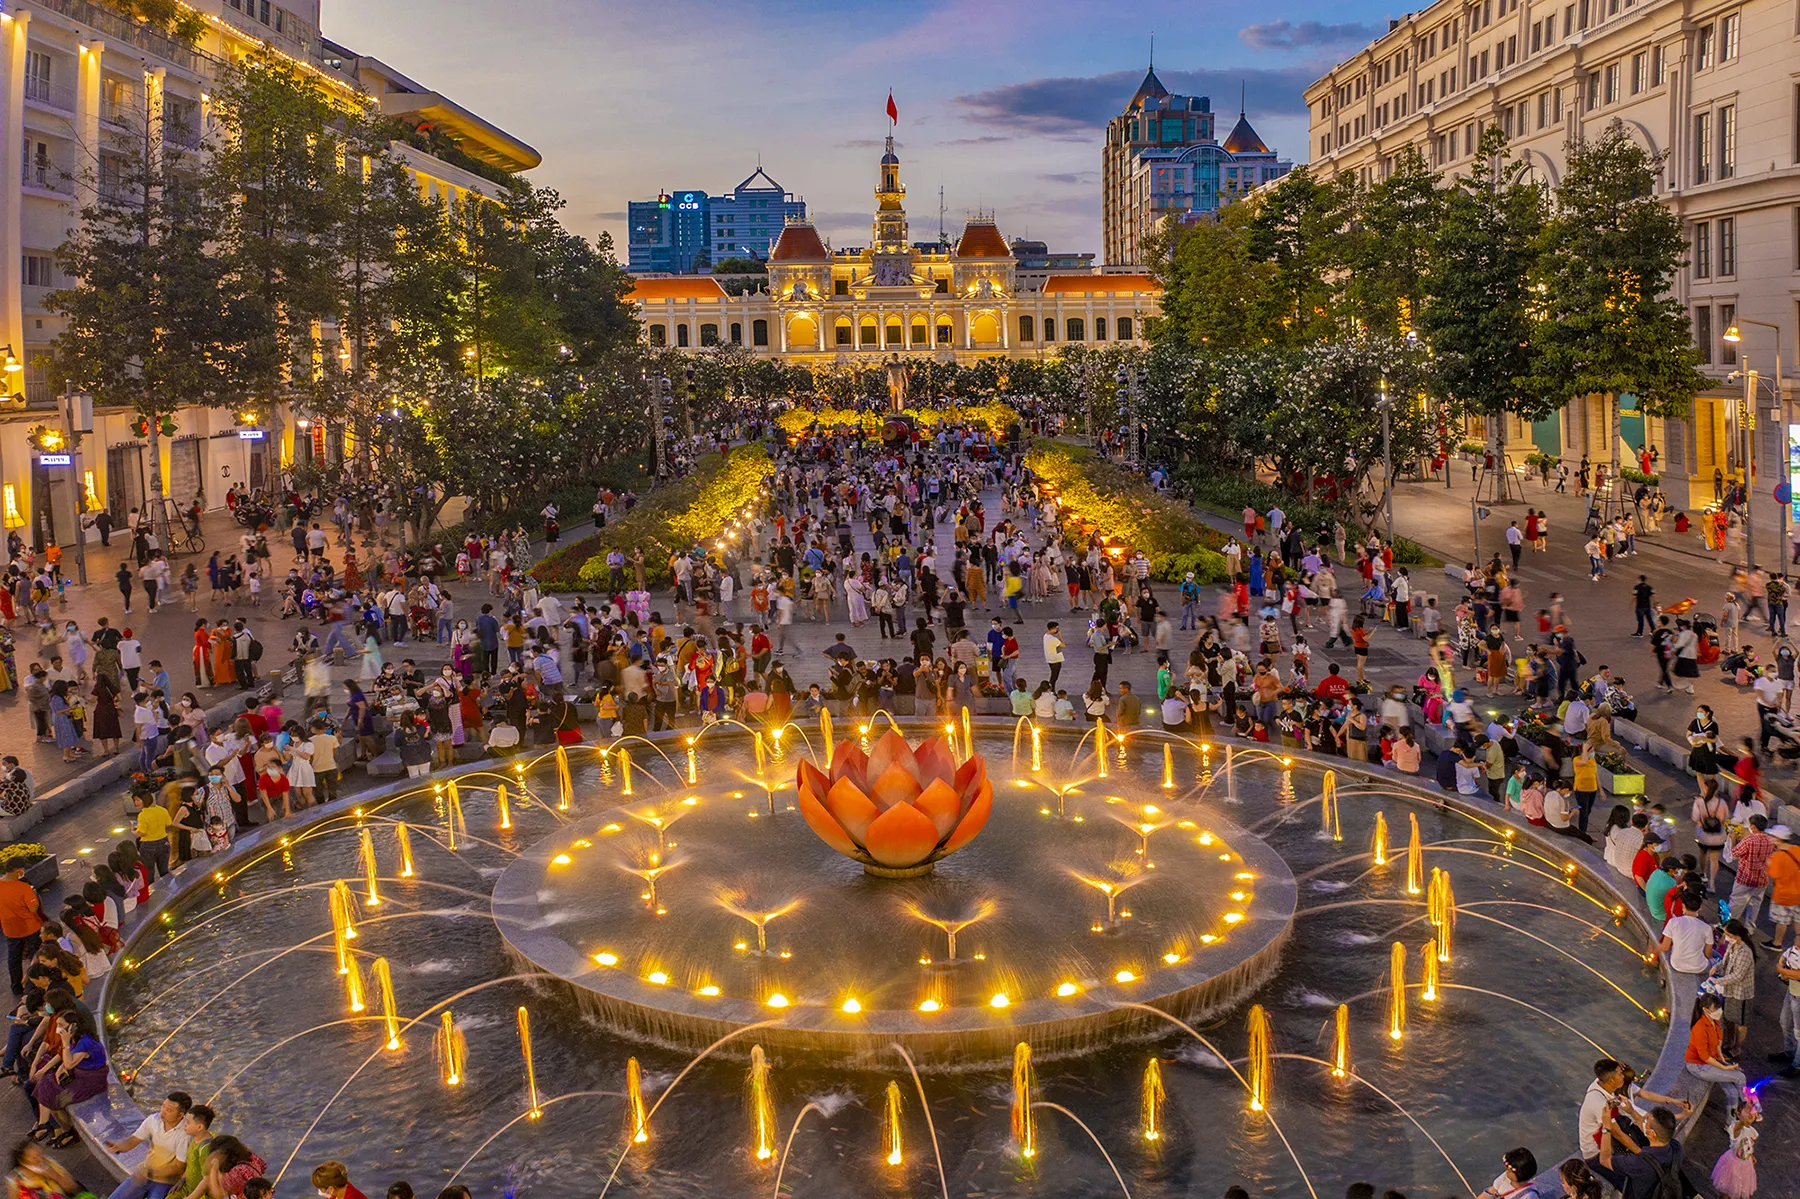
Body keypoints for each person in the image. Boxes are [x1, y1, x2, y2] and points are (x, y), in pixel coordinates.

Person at [105, 1091, 194, 1199]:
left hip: (165, 1182)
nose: (163, 1111)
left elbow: (178, 1167)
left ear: (180, 1115)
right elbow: (134, 1139)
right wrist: (120, 1146)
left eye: (168, 1110)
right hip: (144, 1173)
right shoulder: (153, 1120)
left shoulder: (185, 1134)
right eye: (163, 1106)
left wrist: (151, 1173)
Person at [1592, 1105, 1684, 1199]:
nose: (1643, 1122)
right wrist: (1632, 1112)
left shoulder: (1637, 1163)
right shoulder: (1676, 1147)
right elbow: (1648, 1132)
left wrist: (1606, 1128)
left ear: (1652, 1134)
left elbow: (1604, 1159)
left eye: (1646, 1121)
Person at [1683, 993, 1746, 1094]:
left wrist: (1722, 1059)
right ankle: (1747, 1105)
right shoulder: (1699, 1028)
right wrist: (1723, 1067)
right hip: (1698, 1066)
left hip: (1709, 1059)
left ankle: (1734, 1108)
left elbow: (1718, 1043)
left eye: (1719, 1008)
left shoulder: (1714, 1021)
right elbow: (1704, 1056)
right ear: (1705, 1010)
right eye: (1715, 1009)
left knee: (1732, 1089)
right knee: (1740, 1077)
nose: (1718, 1011)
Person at [0, 864, 41, 996]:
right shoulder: (23, 887)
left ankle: (16, 986)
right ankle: (34, 985)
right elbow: (33, 908)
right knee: (35, 956)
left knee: (14, 957)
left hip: (10, 929)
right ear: (18, 871)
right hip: (29, 927)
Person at [1710, 1095, 1759, 1199]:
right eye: (1746, 1112)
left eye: (1751, 1113)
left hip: (1746, 1164)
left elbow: (1749, 1144)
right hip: (1733, 1164)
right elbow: (1739, 1126)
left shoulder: (1753, 1132)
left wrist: (1751, 1155)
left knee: (1741, 1186)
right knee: (1728, 1188)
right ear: (1738, 1114)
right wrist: (1745, 1114)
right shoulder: (1735, 1128)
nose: (1749, 1114)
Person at [1475, 1147, 1541, 1198]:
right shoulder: (1505, 1177)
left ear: (1520, 1174)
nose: (1506, 1172)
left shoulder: (1529, 1196)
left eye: (1509, 1171)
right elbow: (1491, 1192)